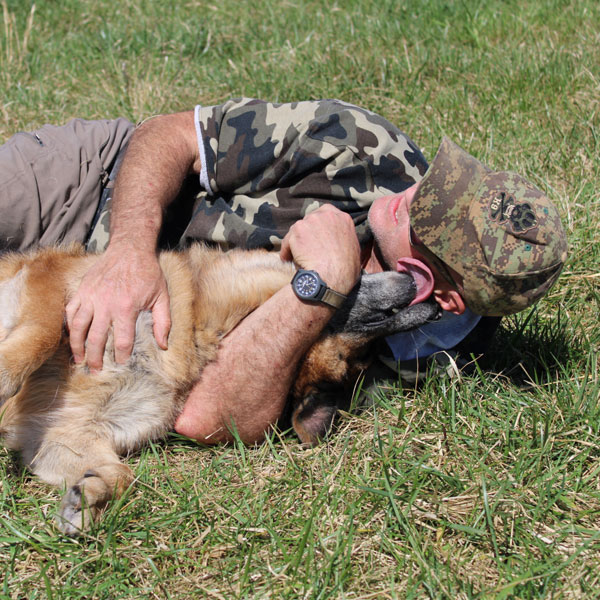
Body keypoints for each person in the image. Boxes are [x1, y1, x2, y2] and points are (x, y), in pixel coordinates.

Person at [0, 98, 567, 444]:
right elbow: (165, 136)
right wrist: (126, 254)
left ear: (443, 297)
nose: (411, 195)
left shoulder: (423, 356)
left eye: (429, 220)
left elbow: (209, 417)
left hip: (118, 336)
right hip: (91, 188)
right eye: (439, 187)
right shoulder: (363, 148)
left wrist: (319, 289)